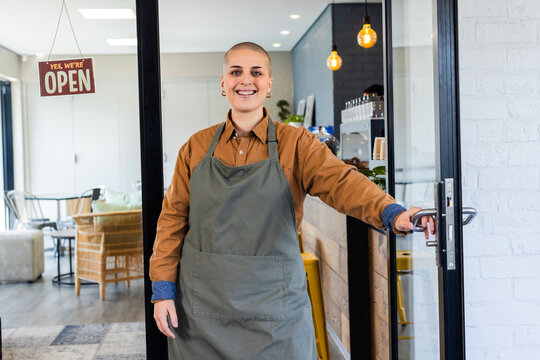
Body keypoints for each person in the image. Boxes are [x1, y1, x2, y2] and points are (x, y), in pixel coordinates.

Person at [150, 42, 435, 359]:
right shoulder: (196, 147)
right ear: (223, 83)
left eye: (256, 72)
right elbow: (172, 220)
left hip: (276, 311)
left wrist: (390, 212)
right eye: (236, 72)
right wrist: (162, 289)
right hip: (201, 311)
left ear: (268, 84)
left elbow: (341, 181)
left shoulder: (297, 144)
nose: (246, 80)